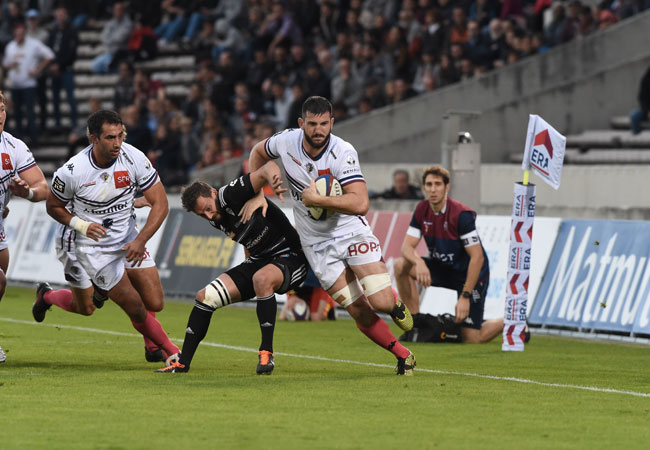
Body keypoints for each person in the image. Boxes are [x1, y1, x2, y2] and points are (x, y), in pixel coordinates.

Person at [248, 96, 416, 376]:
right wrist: (257, 193)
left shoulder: (343, 152)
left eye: (324, 124)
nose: (318, 130)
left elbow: (361, 203)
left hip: (350, 232)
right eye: (312, 124)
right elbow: (257, 152)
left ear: (332, 123)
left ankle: (394, 303)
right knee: (357, 309)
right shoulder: (286, 142)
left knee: (381, 303)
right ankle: (403, 355)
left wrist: (318, 200)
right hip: (317, 245)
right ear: (301, 123)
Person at [42, 110, 181, 365]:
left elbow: (161, 203)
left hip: (127, 239)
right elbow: (53, 206)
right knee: (96, 307)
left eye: (120, 136)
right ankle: (171, 351)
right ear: (93, 138)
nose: (117, 143)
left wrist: (140, 240)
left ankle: (149, 339)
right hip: (90, 247)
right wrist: (81, 225)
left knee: (155, 302)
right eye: (110, 138)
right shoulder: (73, 171)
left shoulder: (133, 157)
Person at [156, 161, 308, 374]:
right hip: (260, 261)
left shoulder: (230, 194)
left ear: (212, 192)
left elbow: (267, 167)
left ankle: (266, 353)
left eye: (208, 208)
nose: (209, 216)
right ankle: (182, 364)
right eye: (202, 215)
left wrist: (266, 188)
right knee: (205, 297)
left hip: (290, 256)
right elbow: (247, 236)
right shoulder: (215, 217)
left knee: (261, 279)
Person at [393, 165, 504, 343]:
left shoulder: (461, 215)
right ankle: (415, 324)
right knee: (401, 265)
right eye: (429, 184)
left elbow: (477, 257)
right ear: (423, 188)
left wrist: (465, 296)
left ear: (447, 187)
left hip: (470, 275)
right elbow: (406, 247)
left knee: (471, 338)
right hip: (444, 269)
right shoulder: (422, 209)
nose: (433, 189)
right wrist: (418, 262)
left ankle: (512, 322)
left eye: (438, 184)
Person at [0, 90, 50, 363]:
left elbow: (42, 187)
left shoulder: (14, 147)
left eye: (1, 109)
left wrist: (27, 193)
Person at [2, 23, 55, 143]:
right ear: (14, 34)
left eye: (21, 33)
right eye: (17, 33)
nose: (19, 36)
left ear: (25, 33)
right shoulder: (11, 46)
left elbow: (50, 55)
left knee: (30, 112)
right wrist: (11, 65)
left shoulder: (34, 44)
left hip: (29, 85)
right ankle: (19, 139)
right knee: (17, 113)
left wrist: (38, 70)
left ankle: (33, 139)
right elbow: (5, 64)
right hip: (15, 85)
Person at [47, 6, 79, 132]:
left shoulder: (72, 31)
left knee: (70, 97)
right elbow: (49, 49)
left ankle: (74, 124)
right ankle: (57, 123)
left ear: (66, 16)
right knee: (55, 98)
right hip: (54, 69)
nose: (60, 17)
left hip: (66, 69)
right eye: (58, 15)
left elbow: (72, 52)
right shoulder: (53, 31)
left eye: (62, 15)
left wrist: (59, 65)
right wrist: (52, 65)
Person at [630, 60, 650, 135]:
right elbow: (642, 98)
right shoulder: (646, 78)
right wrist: (647, 111)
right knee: (634, 116)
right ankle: (637, 139)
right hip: (647, 110)